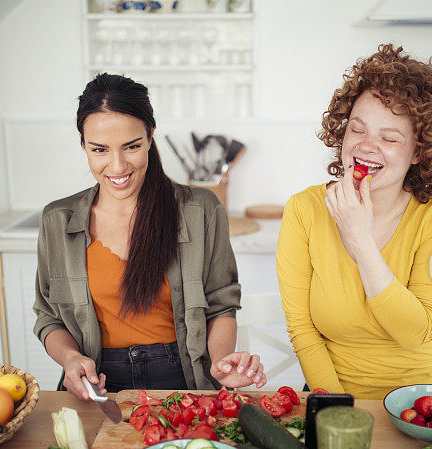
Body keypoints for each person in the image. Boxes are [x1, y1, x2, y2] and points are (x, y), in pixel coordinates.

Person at [34, 73, 266, 400]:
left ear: (150, 137)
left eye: (132, 147)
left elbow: (220, 305)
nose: (117, 166)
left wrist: (220, 362)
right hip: (98, 387)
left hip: (186, 380)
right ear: (83, 145)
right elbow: (48, 316)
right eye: (99, 150)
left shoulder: (200, 210)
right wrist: (72, 359)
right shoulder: (58, 221)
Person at [276, 44, 432, 399]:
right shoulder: (304, 209)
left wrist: (360, 241)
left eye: (389, 137)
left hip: (424, 399)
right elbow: (302, 330)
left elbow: (416, 331)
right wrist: (339, 410)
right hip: (333, 393)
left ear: (418, 151)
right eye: (357, 130)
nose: (366, 146)